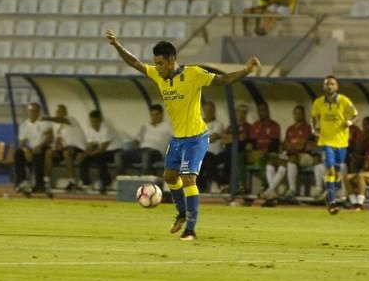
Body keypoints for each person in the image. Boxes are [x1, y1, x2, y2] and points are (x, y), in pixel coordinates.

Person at [106, 30, 261, 240]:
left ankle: (191, 229)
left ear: (172, 61)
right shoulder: (158, 76)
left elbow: (223, 80)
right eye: (156, 63)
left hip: (196, 138)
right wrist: (116, 45)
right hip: (178, 138)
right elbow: (134, 62)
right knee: (169, 176)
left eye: (160, 63)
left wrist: (246, 70)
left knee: (188, 178)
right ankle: (180, 213)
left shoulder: (193, 74)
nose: (157, 68)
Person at [311, 75, 358, 215]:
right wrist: (313, 129)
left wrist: (350, 122)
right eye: (327, 84)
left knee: (337, 171)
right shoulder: (318, 102)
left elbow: (355, 114)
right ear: (323, 87)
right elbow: (313, 117)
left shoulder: (344, 100)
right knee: (330, 168)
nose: (329, 86)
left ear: (336, 87)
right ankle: (332, 202)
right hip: (326, 141)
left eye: (332, 84)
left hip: (341, 142)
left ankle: (331, 191)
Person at [118, 104, 173, 175]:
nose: (154, 117)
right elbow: (137, 139)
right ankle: (123, 178)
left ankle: (143, 179)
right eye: (152, 115)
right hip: (141, 150)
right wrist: (134, 145)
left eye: (156, 115)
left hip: (156, 152)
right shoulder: (145, 126)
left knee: (146, 154)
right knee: (119, 155)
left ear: (162, 114)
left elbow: (178, 137)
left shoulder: (167, 126)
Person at [44, 104, 86, 194]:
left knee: (67, 152)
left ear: (65, 112)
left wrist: (47, 118)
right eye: (57, 112)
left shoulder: (71, 119)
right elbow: (59, 142)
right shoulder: (60, 128)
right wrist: (57, 145)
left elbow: (60, 120)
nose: (57, 113)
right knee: (49, 153)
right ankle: (46, 181)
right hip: (64, 149)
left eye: (59, 111)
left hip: (77, 148)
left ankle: (72, 182)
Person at [15, 102, 53, 195]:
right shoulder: (24, 125)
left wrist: (39, 146)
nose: (33, 113)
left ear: (39, 111)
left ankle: (39, 184)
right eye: (31, 111)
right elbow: (22, 142)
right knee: (18, 153)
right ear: (28, 112)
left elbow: (50, 138)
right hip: (31, 148)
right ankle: (22, 182)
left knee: (39, 154)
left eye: (35, 111)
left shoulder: (45, 122)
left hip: (43, 147)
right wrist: (26, 150)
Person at [79, 110, 122, 194]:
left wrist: (90, 154)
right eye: (91, 121)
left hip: (115, 152)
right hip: (102, 152)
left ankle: (106, 183)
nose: (93, 123)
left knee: (99, 157)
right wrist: (84, 154)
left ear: (100, 120)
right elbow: (90, 145)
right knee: (84, 159)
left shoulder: (106, 129)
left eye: (95, 121)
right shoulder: (91, 129)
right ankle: (86, 183)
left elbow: (103, 148)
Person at [221, 103, 253, 197]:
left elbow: (242, 138)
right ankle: (225, 184)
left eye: (243, 112)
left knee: (234, 156)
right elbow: (224, 139)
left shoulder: (248, 126)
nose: (240, 114)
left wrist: (231, 138)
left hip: (241, 152)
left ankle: (239, 185)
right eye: (239, 112)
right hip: (229, 152)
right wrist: (234, 138)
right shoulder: (231, 126)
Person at [197, 101, 225, 193]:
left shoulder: (218, 124)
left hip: (215, 153)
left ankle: (217, 183)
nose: (207, 113)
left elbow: (213, 137)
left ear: (214, 111)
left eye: (210, 110)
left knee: (206, 157)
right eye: (206, 110)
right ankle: (199, 187)